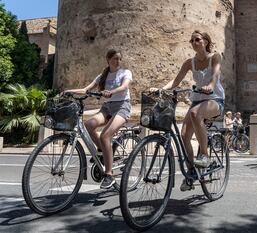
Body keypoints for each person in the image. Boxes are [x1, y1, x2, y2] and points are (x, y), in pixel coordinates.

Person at [150, 30, 225, 191]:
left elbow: (215, 74)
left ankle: (204, 155)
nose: (193, 42)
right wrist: (161, 89)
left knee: (194, 113)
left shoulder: (215, 57)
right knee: (183, 135)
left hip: (214, 100)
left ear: (205, 41)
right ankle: (191, 173)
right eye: (191, 40)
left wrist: (210, 86)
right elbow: (176, 81)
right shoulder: (189, 63)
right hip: (197, 101)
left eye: (197, 39)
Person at [63, 49, 132, 189]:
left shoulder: (125, 72)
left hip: (122, 106)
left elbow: (124, 86)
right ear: (108, 60)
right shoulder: (102, 76)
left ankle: (109, 174)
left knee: (106, 135)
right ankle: (102, 150)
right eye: (114, 59)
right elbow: (85, 90)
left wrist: (111, 92)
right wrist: (69, 91)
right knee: (88, 124)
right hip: (107, 108)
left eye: (119, 59)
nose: (117, 61)